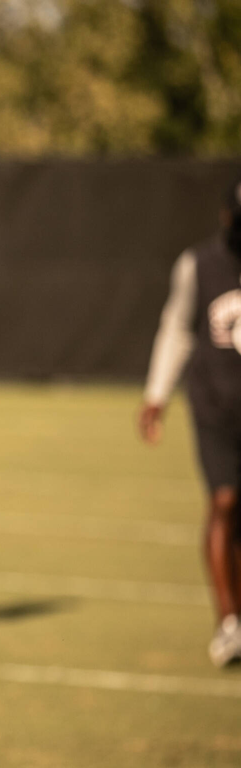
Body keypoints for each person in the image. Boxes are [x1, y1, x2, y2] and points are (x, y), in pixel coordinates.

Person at [140, 176, 241, 668]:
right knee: (224, 500)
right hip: (215, 406)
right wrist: (156, 395)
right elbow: (176, 329)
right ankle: (228, 623)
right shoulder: (199, 264)